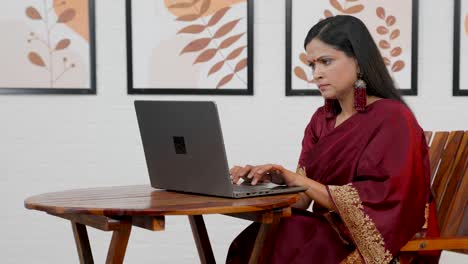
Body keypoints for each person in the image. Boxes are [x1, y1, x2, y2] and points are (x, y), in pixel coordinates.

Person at [226, 15, 440, 264]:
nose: (316, 74)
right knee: (260, 237)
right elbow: (303, 200)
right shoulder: (322, 120)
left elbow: (385, 203)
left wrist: (297, 179)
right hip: (326, 232)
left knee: (288, 236)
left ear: (359, 62)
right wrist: (266, 182)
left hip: (372, 243)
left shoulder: (393, 118)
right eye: (312, 65)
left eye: (326, 62)